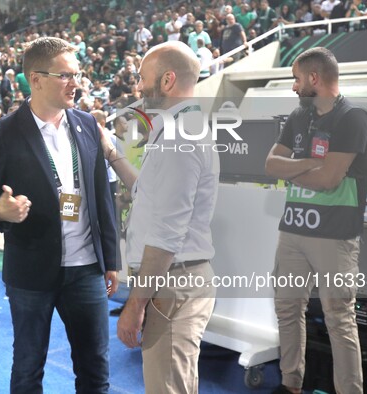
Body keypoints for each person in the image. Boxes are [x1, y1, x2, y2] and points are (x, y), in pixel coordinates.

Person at [0, 37, 120, 394]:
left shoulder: (86, 125)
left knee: (96, 370)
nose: (75, 83)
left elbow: (101, 196)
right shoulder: (3, 132)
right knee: (28, 368)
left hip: (87, 271)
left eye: (77, 74)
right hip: (31, 272)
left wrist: (110, 256)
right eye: (65, 75)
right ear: (35, 79)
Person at [102, 41, 219, 393]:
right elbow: (147, 195)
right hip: (176, 280)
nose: (138, 87)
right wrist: (111, 153)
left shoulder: (178, 138)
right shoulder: (179, 130)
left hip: (170, 283)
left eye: (142, 78)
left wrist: (134, 305)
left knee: (167, 386)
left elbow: (166, 237)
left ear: (167, 80)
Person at [265, 47, 367, 394]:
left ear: (314, 78)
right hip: (293, 230)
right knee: (287, 308)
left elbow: (329, 180)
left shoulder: (354, 117)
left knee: (339, 320)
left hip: (335, 235)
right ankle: (290, 383)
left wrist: (294, 167)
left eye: (296, 79)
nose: (294, 87)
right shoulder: (299, 115)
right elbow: (270, 164)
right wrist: (308, 164)